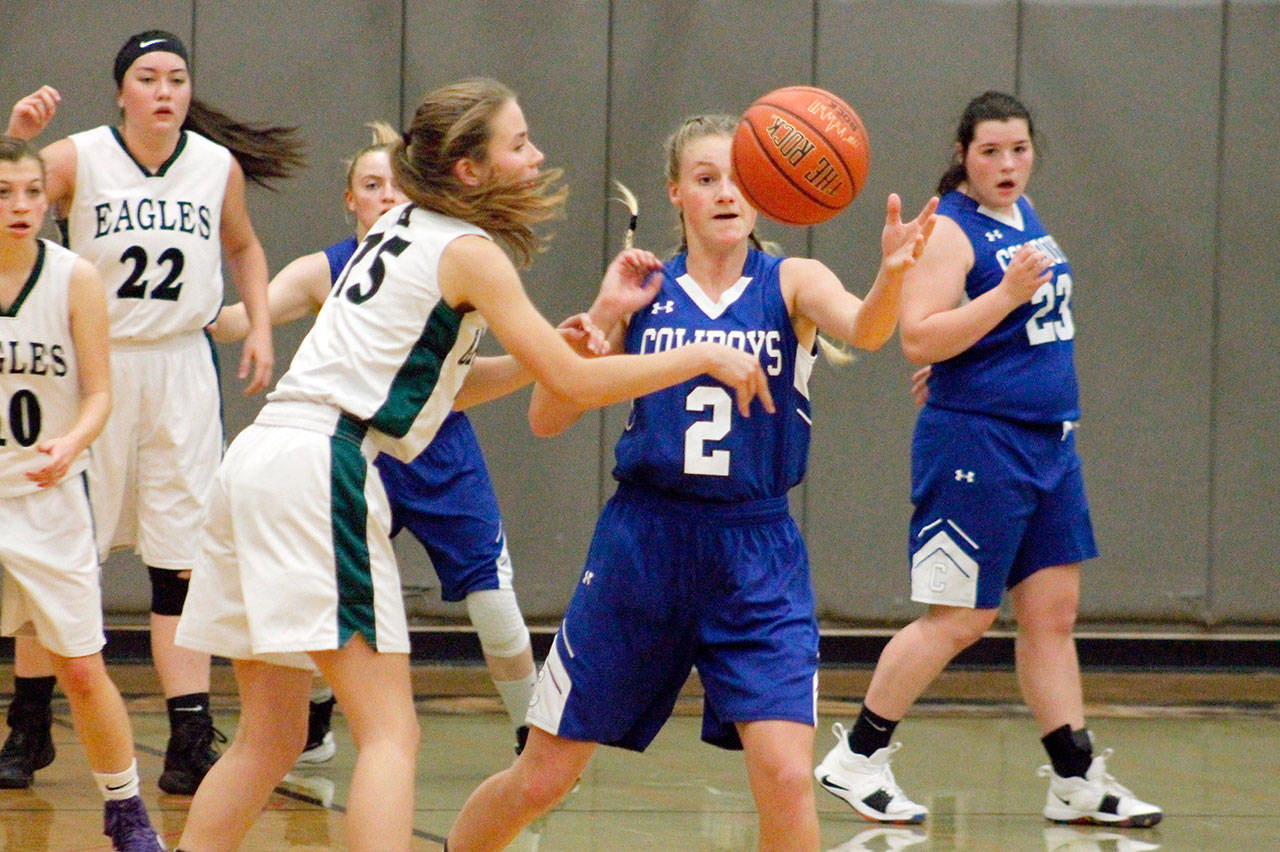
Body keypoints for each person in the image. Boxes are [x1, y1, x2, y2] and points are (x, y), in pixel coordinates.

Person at [168, 79, 773, 852]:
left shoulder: (397, 226)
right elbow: (576, 382)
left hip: (259, 461)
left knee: (271, 735)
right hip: (324, 468)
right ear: (470, 169)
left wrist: (533, 358)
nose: (537, 155)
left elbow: (440, 388)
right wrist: (700, 355)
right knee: (391, 735)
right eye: (518, 143)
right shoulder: (469, 253)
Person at [444, 113, 937, 852]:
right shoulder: (645, 291)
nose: (726, 193)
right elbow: (548, 416)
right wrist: (606, 313)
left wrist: (891, 276)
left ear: (766, 191)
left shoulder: (792, 281)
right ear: (676, 193)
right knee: (543, 778)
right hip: (643, 546)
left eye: (739, 179)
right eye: (706, 179)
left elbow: (867, 329)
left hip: (755, 550)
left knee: (786, 777)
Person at [813, 91, 1162, 829]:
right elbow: (918, 336)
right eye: (991, 151)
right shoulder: (950, 229)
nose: (1007, 164)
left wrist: (979, 342)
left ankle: (1074, 779)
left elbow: (989, 335)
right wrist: (1001, 298)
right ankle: (857, 757)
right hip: (979, 443)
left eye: (1019, 149)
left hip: (1048, 443)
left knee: (1052, 614)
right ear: (963, 155)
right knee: (959, 618)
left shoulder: (1023, 213)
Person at [2, 31, 303, 795]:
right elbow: (10, 194)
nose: (165, 91)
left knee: (181, 558)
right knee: (58, 551)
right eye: (148, 77)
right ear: (121, 92)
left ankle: (188, 736)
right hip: (92, 368)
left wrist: (259, 326)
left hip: (180, 368)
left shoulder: (215, 165)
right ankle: (28, 725)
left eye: (176, 78)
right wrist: (18, 135)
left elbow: (245, 248)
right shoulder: (78, 156)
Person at [208, 122, 542, 762]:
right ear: (349, 199)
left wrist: (556, 356)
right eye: (370, 185)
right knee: (329, 603)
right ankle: (313, 722)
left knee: (488, 588)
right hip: (350, 449)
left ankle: (532, 733)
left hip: (434, 444)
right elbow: (236, 320)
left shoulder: (449, 253)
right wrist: (185, 296)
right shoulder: (335, 267)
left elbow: (456, 384)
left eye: (395, 184)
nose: (386, 196)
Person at [0, 136, 164, 851]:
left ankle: (125, 811)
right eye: (4, 192)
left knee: (81, 666)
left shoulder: (75, 278)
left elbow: (99, 392)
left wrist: (73, 441)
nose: (21, 205)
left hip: (49, 498)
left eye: (33, 192)